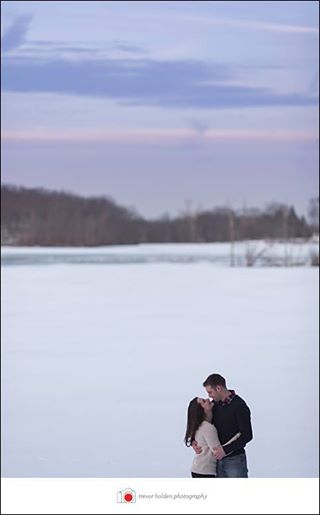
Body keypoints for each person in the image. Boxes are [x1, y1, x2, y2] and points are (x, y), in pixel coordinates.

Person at [192, 373, 253, 478]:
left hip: (235, 461)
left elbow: (247, 435)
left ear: (219, 388)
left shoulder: (239, 406)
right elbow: (200, 421)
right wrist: (193, 441)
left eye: (210, 392)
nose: (209, 396)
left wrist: (225, 450)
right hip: (217, 462)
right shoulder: (214, 405)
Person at [185, 397, 240, 477]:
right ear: (201, 411)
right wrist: (237, 436)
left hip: (200, 470)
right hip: (204, 472)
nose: (208, 399)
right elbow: (218, 451)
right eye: (204, 401)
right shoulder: (208, 427)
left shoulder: (202, 426)